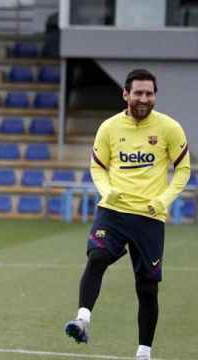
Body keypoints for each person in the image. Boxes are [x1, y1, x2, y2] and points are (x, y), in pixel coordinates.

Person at [64, 69, 191, 360]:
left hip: (149, 217)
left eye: (149, 93)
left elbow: (183, 169)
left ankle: (144, 352)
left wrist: (164, 200)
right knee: (96, 258)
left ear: (154, 96)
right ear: (126, 94)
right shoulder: (109, 128)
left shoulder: (170, 128)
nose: (144, 98)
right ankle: (82, 320)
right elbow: (97, 166)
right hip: (113, 211)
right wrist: (105, 190)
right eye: (138, 93)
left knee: (147, 287)